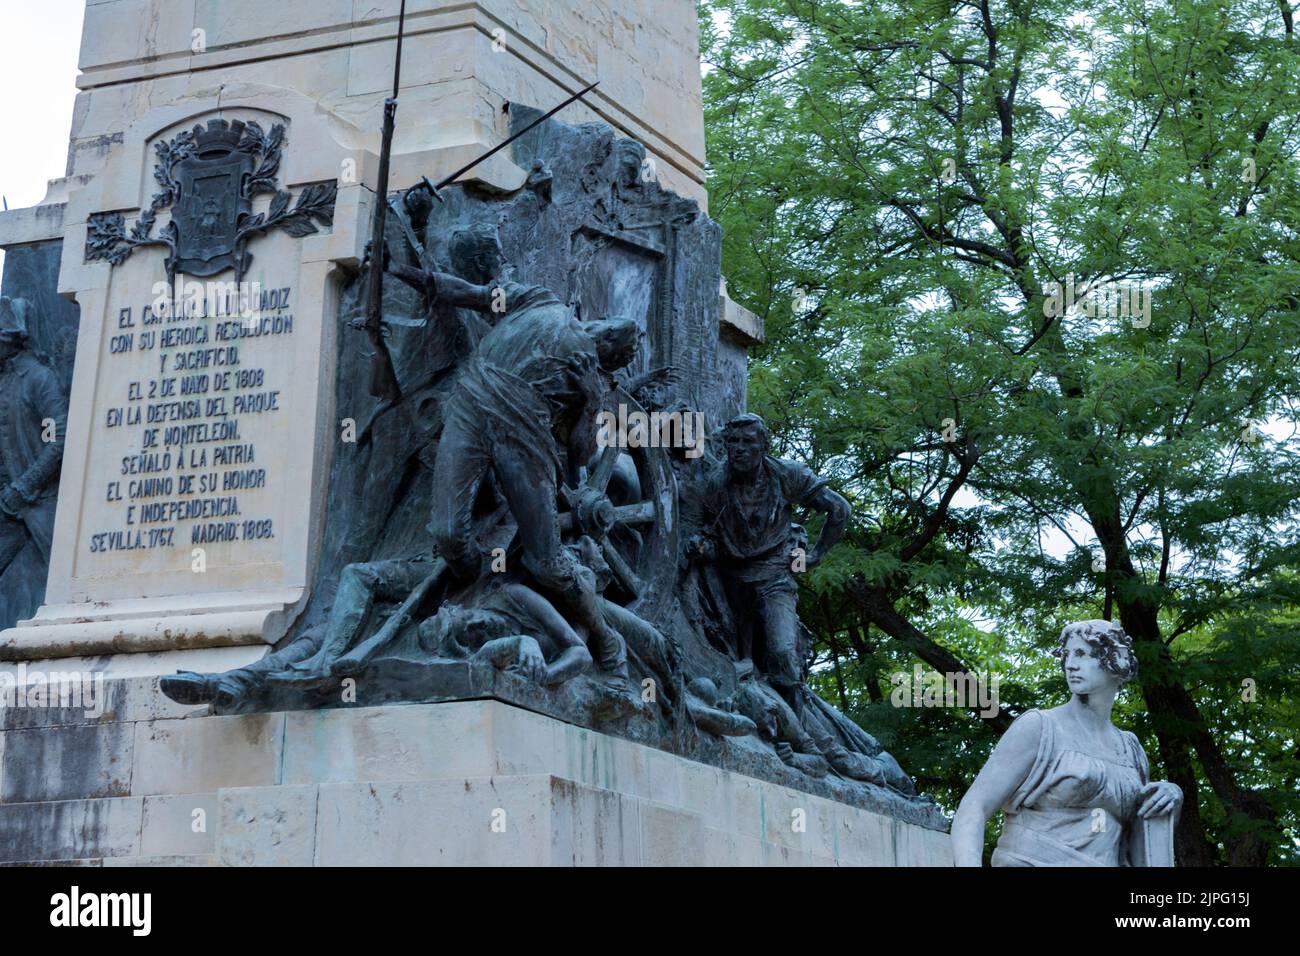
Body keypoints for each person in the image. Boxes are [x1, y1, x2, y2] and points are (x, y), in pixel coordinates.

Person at [950, 619, 1183, 866]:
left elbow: (1135, 836)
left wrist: (1170, 796)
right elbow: (975, 806)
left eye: (1082, 654)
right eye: (1067, 655)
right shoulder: (1040, 727)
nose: (1070, 665)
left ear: (1115, 661)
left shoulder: (1130, 749)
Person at [689, 413, 850, 715]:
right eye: (733, 442)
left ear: (762, 445)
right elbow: (709, 533)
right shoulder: (715, 484)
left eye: (748, 442)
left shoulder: (787, 475)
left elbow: (839, 508)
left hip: (774, 578)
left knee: (782, 651)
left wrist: (814, 555)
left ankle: (802, 735)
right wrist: (703, 546)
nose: (739, 449)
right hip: (731, 583)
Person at [0, 297, 66, 582]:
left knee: (64, 579)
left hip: (41, 501)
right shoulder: (5, 380)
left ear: (10, 339)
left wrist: (26, 485)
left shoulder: (40, 379)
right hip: (8, 504)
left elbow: (57, 438)